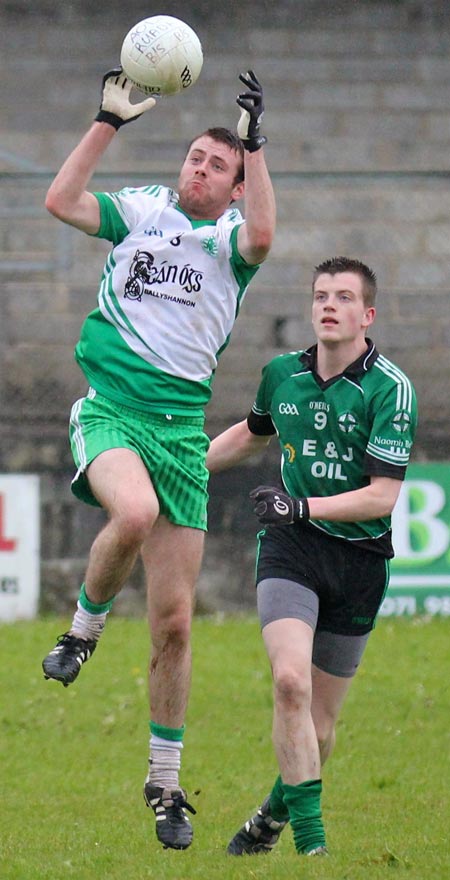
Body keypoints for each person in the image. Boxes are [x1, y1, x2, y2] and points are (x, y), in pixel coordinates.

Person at [41, 67, 275, 851]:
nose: (198, 169)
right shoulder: (141, 209)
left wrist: (258, 149)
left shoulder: (229, 243)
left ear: (236, 187)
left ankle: (165, 785)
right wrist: (106, 121)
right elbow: (62, 202)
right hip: (111, 410)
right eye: (194, 158)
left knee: (175, 624)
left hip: (179, 433)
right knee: (132, 513)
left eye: (217, 165)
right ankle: (81, 631)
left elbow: (267, 236)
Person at [206, 256, 417, 857]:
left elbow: (382, 495)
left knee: (320, 729)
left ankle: (269, 818)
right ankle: (312, 848)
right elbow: (252, 432)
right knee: (290, 683)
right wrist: (185, 468)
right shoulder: (281, 375)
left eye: (345, 297)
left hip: (359, 560)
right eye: (322, 295)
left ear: (367, 315)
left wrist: (301, 507)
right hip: (291, 552)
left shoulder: (390, 389)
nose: (330, 304)